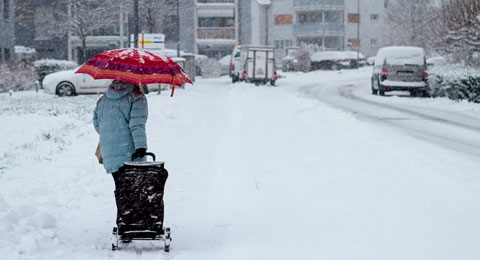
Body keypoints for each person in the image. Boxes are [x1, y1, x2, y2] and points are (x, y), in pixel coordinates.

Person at [93, 80, 148, 181]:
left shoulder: (103, 99)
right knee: (134, 191)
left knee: (120, 190)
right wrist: (141, 147)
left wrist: (111, 134)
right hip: (130, 154)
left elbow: (97, 124)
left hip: (109, 152)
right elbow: (137, 125)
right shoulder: (137, 98)